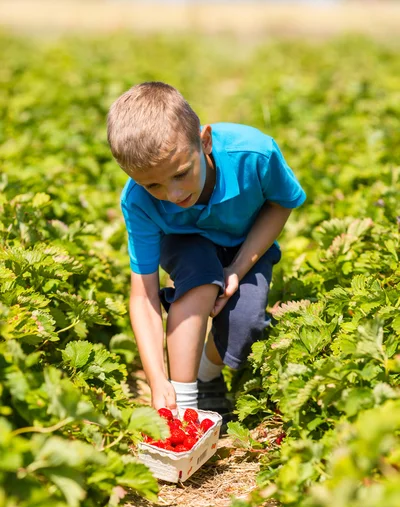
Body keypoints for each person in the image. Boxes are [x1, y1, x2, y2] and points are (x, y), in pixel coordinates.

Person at [107, 81, 305, 428]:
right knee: (198, 279)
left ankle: (206, 369)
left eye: (181, 173)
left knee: (246, 326)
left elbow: (281, 202)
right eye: (153, 185)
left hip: (244, 242)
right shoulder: (137, 201)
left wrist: (238, 267)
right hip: (184, 242)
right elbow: (144, 296)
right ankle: (185, 406)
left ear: (205, 141)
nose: (173, 193)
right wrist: (158, 380)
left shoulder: (254, 155)